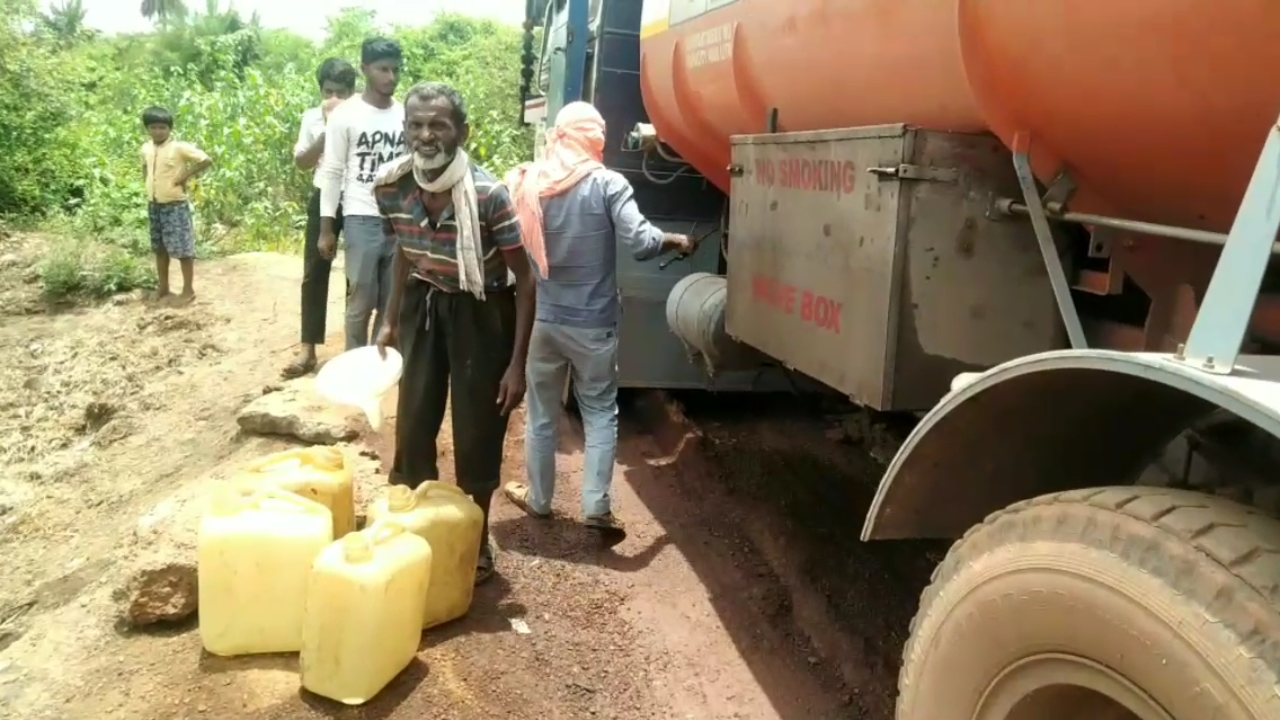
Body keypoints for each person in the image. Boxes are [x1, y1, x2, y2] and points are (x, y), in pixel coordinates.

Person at [500, 102, 691, 546]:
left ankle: (541, 500)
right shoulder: (608, 183)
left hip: (543, 323)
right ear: (595, 138)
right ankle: (595, 507)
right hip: (593, 327)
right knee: (601, 414)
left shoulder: (530, 182)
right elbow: (642, 243)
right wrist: (676, 240)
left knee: (542, 416)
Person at [373, 81, 535, 585]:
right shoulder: (392, 186)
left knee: (478, 426)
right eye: (417, 125)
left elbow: (526, 279)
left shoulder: (489, 196)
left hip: (482, 311)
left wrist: (516, 364)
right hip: (424, 301)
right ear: (405, 130)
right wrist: (390, 315)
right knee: (415, 417)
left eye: (438, 125)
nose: (426, 135)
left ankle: (474, 538)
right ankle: (417, 525)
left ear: (462, 133)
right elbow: (403, 248)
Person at [317, 37, 406, 351]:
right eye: (383, 69)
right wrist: (327, 228)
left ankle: (378, 364)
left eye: (396, 70)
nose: (390, 78)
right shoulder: (345, 115)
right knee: (361, 299)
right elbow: (332, 171)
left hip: (399, 221)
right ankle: (354, 361)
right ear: (364, 68)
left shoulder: (405, 113)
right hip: (361, 218)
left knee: (391, 299)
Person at [282, 58, 358, 379]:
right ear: (320, 91)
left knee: (357, 275)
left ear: (352, 92)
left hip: (357, 199)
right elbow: (301, 161)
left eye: (341, 92)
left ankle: (356, 352)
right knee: (314, 271)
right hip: (322, 195)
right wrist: (328, 131)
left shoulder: (365, 117)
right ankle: (308, 349)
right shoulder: (312, 117)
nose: (334, 98)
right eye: (328, 91)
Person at [140, 106, 212, 305]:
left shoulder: (178, 148)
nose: (158, 131)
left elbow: (206, 160)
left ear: (169, 129)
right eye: (153, 127)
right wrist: (148, 184)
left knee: (183, 250)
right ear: (147, 128)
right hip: (154, 205)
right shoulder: (146, 148)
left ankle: (188, 290)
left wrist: (184, 176)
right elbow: (144, 167)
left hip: (175, 206)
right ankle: (163, 287)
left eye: (162, 127)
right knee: (160, 248)